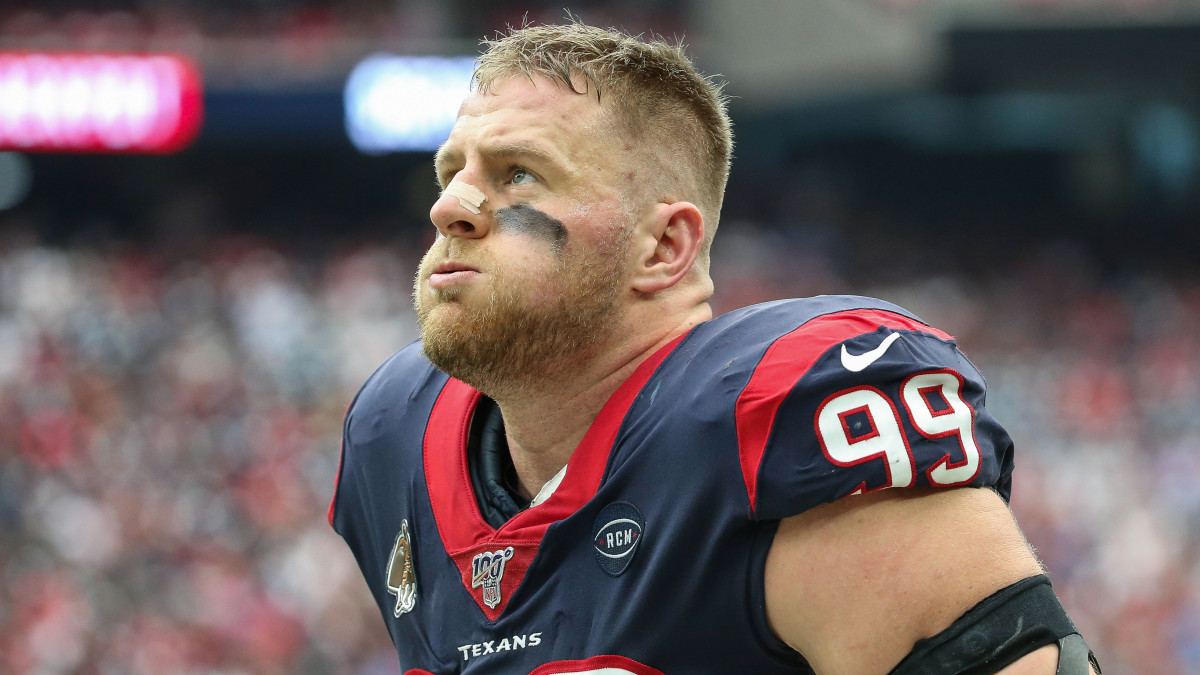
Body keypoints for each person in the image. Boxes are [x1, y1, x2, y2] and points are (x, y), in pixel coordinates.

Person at [328, 21, 1100, 675]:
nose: (450, 207)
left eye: (519, 176)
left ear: (664, 245)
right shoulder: (395, 434)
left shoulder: (778, 427)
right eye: (451, 172)